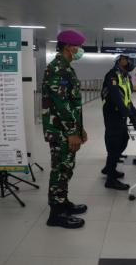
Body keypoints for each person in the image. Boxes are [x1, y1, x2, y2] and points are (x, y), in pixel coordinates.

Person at [42, 30, 88, 229]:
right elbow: (61, 104)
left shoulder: (65, 67)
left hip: (66, 129)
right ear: (69, 47)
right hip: (60, 130)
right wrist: (71, 132)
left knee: (66, 168)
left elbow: (72, 103)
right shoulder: (58, 69)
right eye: (77, 46)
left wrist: (80, 128)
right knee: (61, 169)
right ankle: (56, 214)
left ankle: (63, 202)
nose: (79, 50)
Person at [101, 53, 136, 190]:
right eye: (131, 61)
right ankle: (110, 180)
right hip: (113, 113)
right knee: (114, 144)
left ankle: (109, 168)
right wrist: (127, 114)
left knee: (123, 139)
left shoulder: (125, 76)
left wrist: (134, 119)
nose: (133, 65)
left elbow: (127, 99)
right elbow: (116, 98)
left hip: (121, 114)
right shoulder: (112, 75)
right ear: (121, 60)